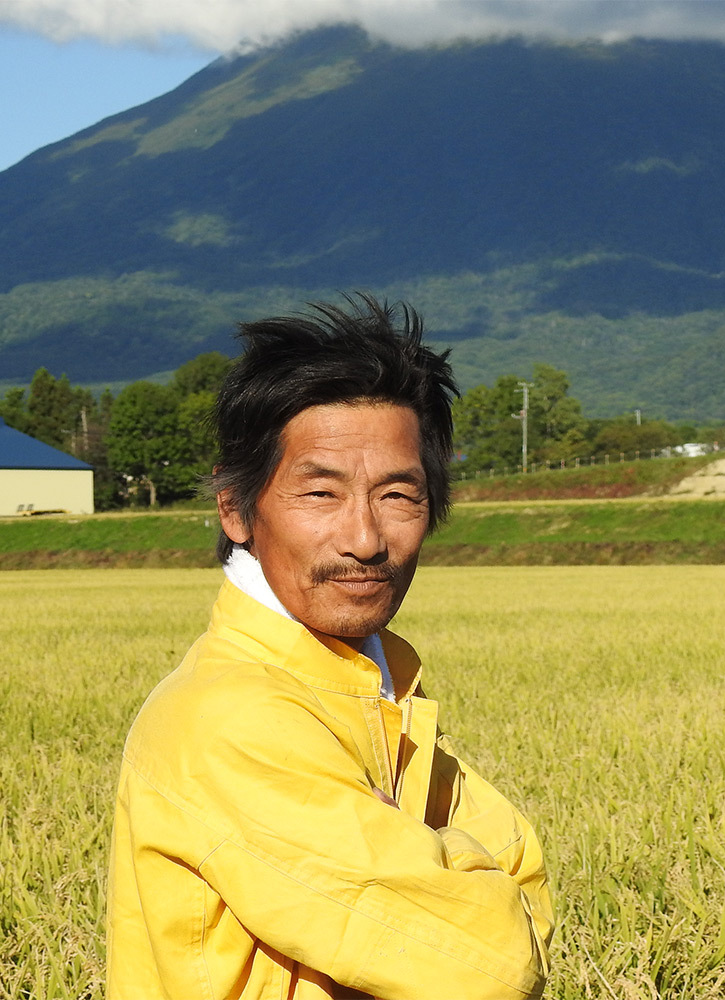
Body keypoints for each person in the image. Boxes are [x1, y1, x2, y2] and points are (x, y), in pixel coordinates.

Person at [106, 296, 553, 1000]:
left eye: (399, 495)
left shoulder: (374, 689)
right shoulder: (233, 721)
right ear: (235, 508)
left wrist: (431, 860)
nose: (366, 538)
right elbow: (487, 964)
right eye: (321, 493)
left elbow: (528, 887)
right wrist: (444, 856)